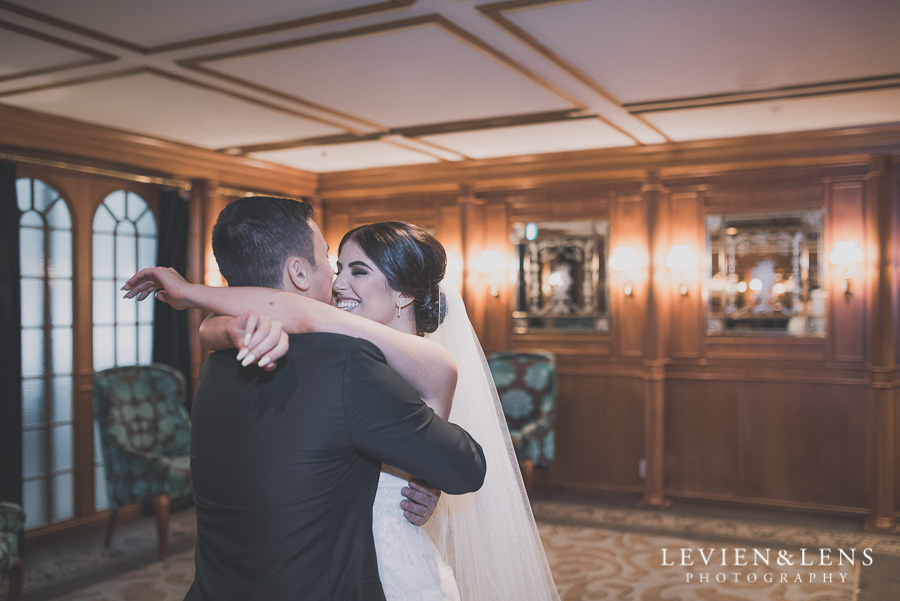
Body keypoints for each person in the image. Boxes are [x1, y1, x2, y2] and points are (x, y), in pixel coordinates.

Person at [126, 218, 560, 600]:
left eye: (358, 270)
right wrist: (219, 327)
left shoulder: (429, 364)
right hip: (337, 560)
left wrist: (188, 294)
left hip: (382, 560)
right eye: (338, 268)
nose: (337, 284)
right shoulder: (345, 349)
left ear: (405, 294)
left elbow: (303, 315)